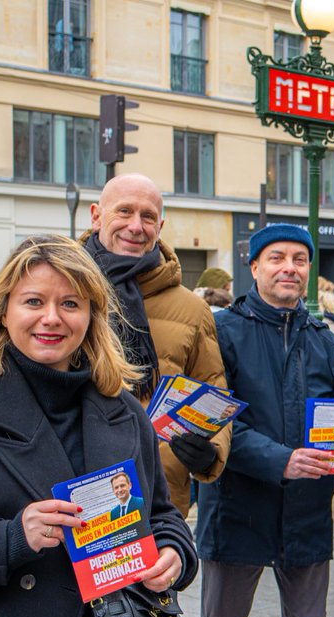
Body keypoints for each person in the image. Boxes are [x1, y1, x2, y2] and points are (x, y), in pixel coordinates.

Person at [0, 235, 196, 617]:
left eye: (71, 304)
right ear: (4, 311)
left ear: (92, 316)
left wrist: (173, 553)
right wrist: (11, 538)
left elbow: (163, 514)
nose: (51, 318)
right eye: (33, 301)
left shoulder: (125, 410)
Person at [195, 224, 334, 617]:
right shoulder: (220, 333)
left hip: (307, 513)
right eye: (277, 258)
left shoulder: (327, 342)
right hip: (237, 511)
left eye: (299, 259)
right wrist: (281, 460)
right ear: (254, 266)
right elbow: (213, 422)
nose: (289, 268)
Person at [83, 173, 230, 517]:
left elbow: (212, 389)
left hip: (159, 498)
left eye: (148, 216)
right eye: (124, 212)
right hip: (75, 497)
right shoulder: (64, 290)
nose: (136, 226)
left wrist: (210, 452)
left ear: (159, 226)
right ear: (96, 216)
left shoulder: (192, 309)